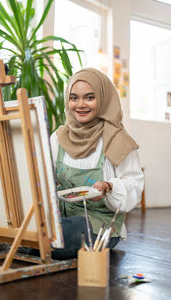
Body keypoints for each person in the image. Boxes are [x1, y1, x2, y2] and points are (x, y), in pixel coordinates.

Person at [50, 67, 144, 259]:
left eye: (89, 97)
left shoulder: (118, 140)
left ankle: (22, 245)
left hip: (99, 227)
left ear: (103, 99)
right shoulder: (58, 138)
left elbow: (135, 187)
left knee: (74, 229)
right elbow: (43, 177)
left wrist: (109, 187)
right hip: (61, 221)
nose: (80, 104)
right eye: (74, 97)